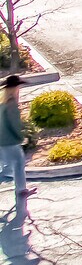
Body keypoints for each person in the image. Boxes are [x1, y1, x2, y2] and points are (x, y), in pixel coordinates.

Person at [1, 75, 27, 219]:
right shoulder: (11, 103)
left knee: (7, 166)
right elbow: (15, 124)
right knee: (18, 164)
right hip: (9, 140)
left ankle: (21, 189)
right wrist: (21, 137)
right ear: (14, 88)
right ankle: (21, 190)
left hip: (1, 140)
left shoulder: (2, 100)